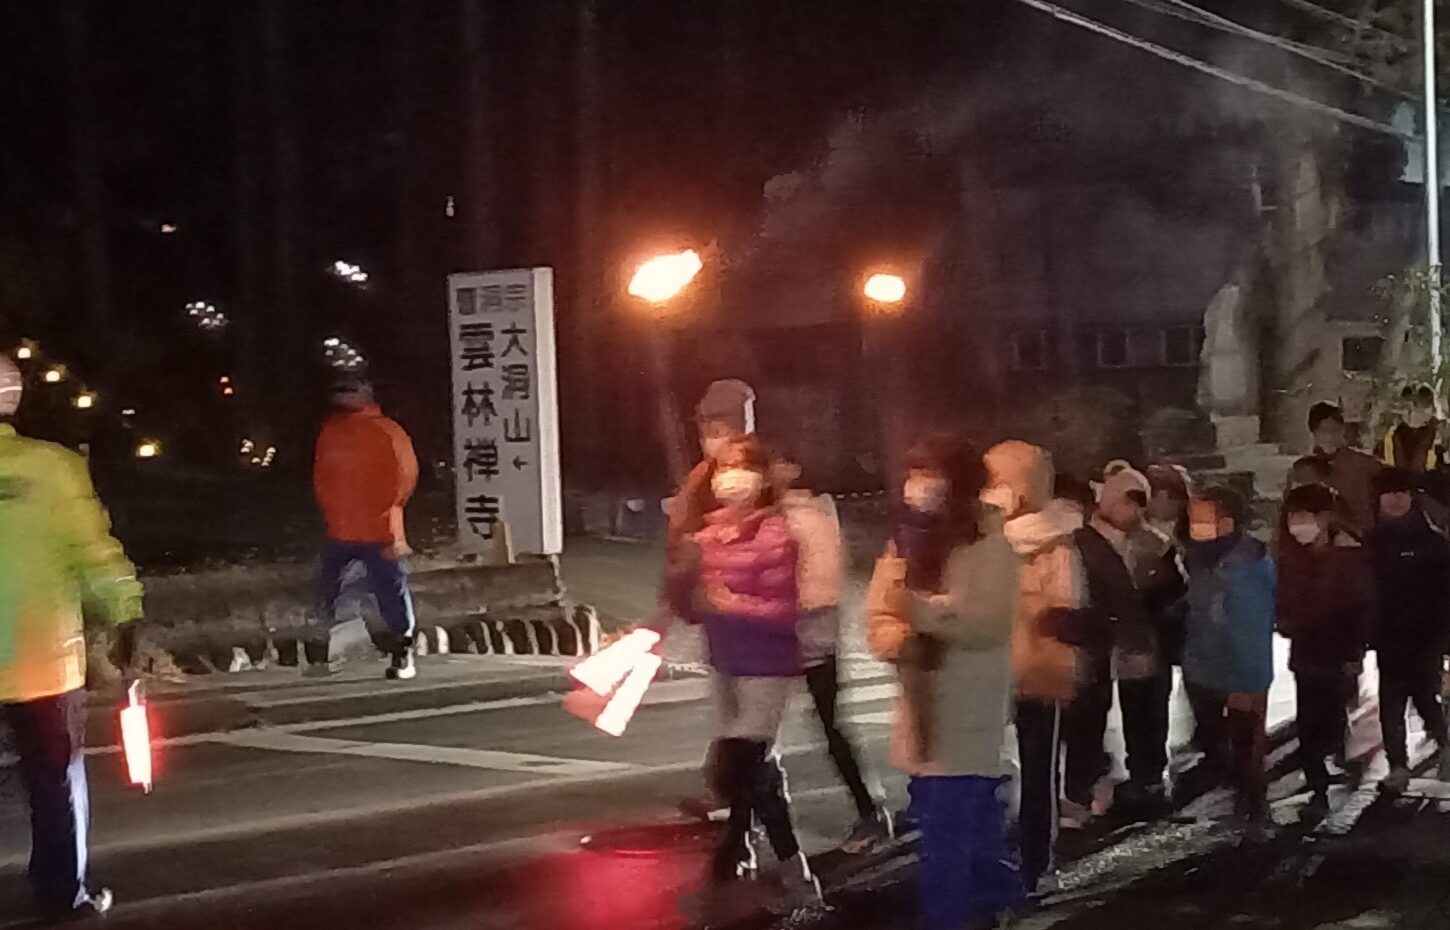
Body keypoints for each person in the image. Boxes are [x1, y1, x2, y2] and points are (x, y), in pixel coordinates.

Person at [0, 353, 143, 919]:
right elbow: (95, 553)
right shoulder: (52, 468)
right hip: (42, 657)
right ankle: (64, 893)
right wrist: (125, 613)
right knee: (55, 780)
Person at [874, 435, 1024, 930]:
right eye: (914, 472)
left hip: (967, 705)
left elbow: (987, 623)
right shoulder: (906, 540)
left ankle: (950, 918)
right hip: (921, 703)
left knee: (946, 836)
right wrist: (897, 639)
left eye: (930, 473)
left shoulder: (990, 544)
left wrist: (918, 613)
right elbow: (878, 611)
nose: (919, 485)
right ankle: (999, 896)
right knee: (964, 825)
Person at [689, 435, 816, 899]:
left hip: (766, 664)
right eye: (723, 467)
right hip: (725, 659)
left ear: (762, 478)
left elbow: (784, 609)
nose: (730, 477)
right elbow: (692, 593)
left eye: (740, 466)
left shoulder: (777, 535)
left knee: (733, 768)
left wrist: (730, 603)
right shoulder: (709, 534)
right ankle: (794, 874)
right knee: (757, 771)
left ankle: (764, 858)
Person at [774, 448, 890, 851]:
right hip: (790, 632)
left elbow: (821, 585)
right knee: (770, 733)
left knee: (826, 725)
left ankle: (869, 810)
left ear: (791, 468)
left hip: (808, 633)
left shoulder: (806, 518)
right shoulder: (788, 515)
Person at [982, 440, 1085, 895]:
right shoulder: (985, 536)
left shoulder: (1053, 540)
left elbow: (1063, 608)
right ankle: (998, 851)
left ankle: (1037, 859)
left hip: (1036, 666)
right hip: (988, 665)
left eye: (1002, 480)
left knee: (1039, 767)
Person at [1061, 467, 1153, 827]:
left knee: (1085, 722)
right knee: (1080, 723)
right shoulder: (1084, 541)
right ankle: (1076, 798)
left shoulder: (1091, 542)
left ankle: (1080, 795)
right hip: (1078, 648)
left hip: (1088, 647)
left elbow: (1120, 595)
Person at [311, 374, 420, 680]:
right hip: (341, 527)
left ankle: (402, 652)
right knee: (330, 590)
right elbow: (321, 476)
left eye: (350, 392)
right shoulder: (331, 432)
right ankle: (330, 652)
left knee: (391, 591)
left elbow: (403, 478)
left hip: (379, 529)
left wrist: (386, 509)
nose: (343, 398)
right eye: (339, 392)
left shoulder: (385, 431)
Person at [1182, 486, 1276, 833]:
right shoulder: (1201, 556)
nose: (1195, 524)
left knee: (1246, 749)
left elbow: (1251, 630)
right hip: (1206, 667)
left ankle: (1254, 813)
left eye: (1203, 518)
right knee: (1222, 747)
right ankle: (1240, 807)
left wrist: (1246, 685)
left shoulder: (1246, 565)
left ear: (1226, 521)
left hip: (1238, 675)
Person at [1274, 483, 1373, 811]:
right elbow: (1284, 596)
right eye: (1293, 517)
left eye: (1304, 517)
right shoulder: (1291, 555)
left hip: (1338, 651)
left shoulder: (1349, 554)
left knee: (1331, 713)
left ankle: (1334, 760)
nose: (1297, 525)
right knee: (1309, 719)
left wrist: (1353, 653)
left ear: (1325, 517)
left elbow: (1359, 609)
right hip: (1306, 650)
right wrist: (1286, 619)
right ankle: (1317, 779)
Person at [1365, 468, 1450, 793]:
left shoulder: (1431, 543)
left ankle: (1444, 745)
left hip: (1425, 636)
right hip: (1389, 637)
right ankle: (1398, 766)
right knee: (1391, 703)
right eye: (1390, 493)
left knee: (1425, 697)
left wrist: (1443, 635)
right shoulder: (1372, 541)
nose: (1397, 499)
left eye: (1403, 492)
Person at [1308, 402, 1381, 535]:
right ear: (1314, 433)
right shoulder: (1304, 469)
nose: (1329, 436)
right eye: (1323, 430)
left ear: (1342, 430)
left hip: (1361, 537)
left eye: (1334, 430)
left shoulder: (1365, 464)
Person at [1380, 385, 1443, 475]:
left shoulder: (1437, 432)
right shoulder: (1391, 432)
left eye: (1418, 406)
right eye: (1408, 408)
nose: (1413, 412)